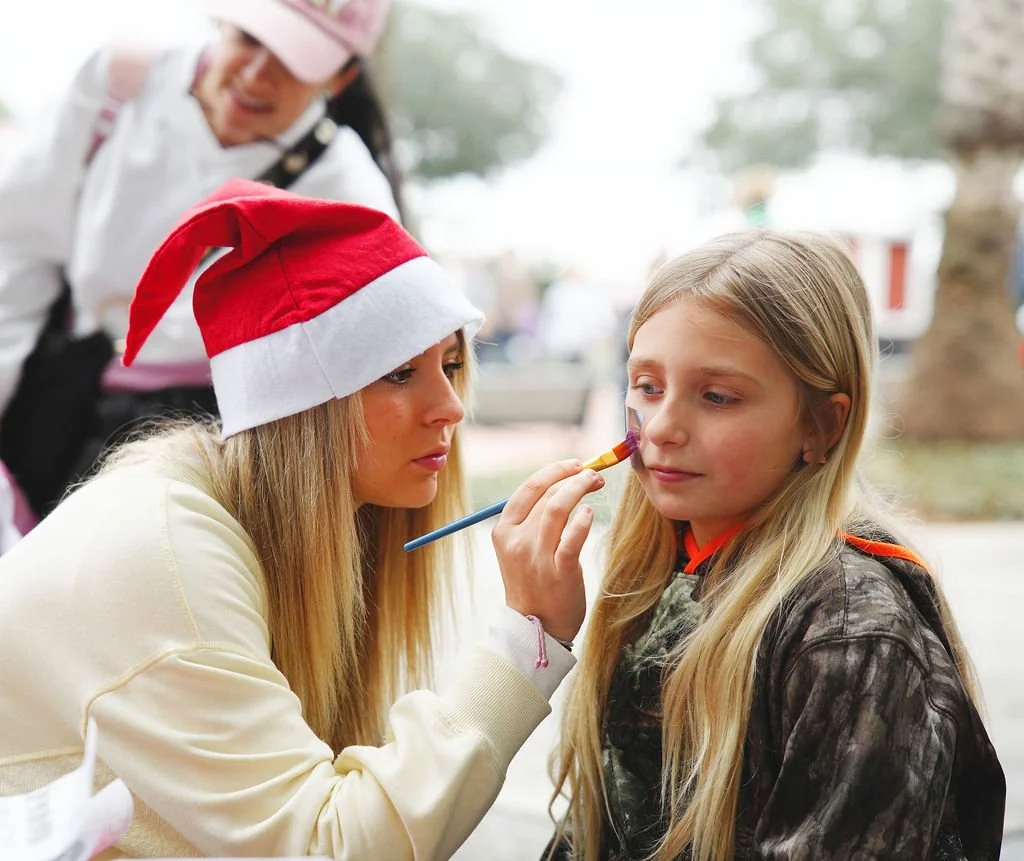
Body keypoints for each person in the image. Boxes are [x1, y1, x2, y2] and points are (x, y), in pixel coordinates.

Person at [0, 179, 604, 859]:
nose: (451, 406)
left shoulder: (247, 518)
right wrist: (529, 638)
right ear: (303, 405)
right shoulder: (167, 554)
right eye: (400, 372)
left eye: (452, 363)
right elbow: (325, 847)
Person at [546, 231, 1006, 860]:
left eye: (717, 396)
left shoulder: (847, 629)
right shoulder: (659, 569)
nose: (660, 429)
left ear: (821, 425)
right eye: (647, 386)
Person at [0, 0, 403, 520]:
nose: (257, 76)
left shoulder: (348, 192)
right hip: (59, 386)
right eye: (251, 40)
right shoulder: (122, 84)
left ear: (340, 77)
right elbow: (20, 247)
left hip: (204, 433)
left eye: (294, 61)